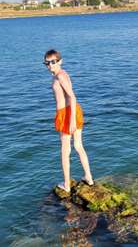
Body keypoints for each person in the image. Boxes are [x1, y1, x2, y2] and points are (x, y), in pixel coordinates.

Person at [44, 49, 94, 192]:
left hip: (67, 113)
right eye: (47, 63)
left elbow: (72, 97)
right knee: (78, 146)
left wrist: (71, 120)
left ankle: (66, 184)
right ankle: (88, 177)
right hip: (71, 111)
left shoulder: (60, 76)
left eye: (53, 62)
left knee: (65, 150)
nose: (50, 65)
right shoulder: (61, 74)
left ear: (60, 61)